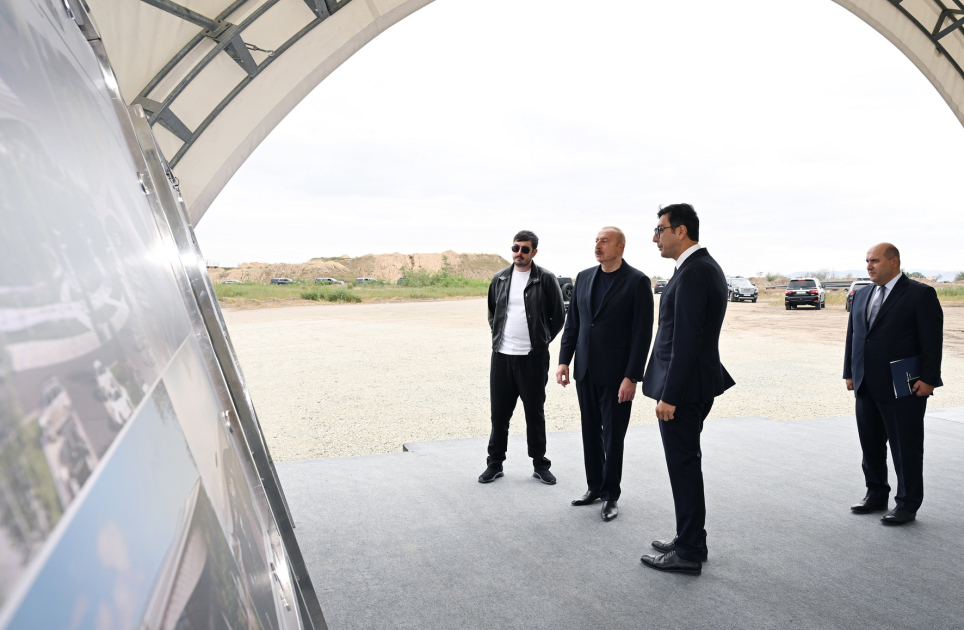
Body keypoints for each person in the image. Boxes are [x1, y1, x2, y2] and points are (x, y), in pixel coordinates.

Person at [640, 203, 734, 576]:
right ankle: (690, 538)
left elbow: (687, 341)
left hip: (684, 389)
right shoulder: (697, 267)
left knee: (683, 467)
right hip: (693, 384)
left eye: (659, 230)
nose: (655, 238)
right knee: (685, 464)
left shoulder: (695, 272)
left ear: (681, 231)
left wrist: (670, 395)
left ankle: (689, 551)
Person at [556, 227, 653, 522]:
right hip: (585, 370)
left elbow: (641, 334)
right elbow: (573, 323)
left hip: (617, 375)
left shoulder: (637, 281)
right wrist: (563, 361)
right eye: (596, 240)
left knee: (613, 437)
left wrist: (632, 376)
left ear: (620, 247)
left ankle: (611, 495)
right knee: (590, 432)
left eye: (605, 241)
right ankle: (594, 487)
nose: (598, 245)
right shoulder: (584, 277)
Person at [843, 243, 943, 525]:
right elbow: (854, 336)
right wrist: (850, 372)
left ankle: (907, 504)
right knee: (871, 445)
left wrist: (929, 378)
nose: (869, 267)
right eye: (867, 261)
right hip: (866, 383)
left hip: (904, 385)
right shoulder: (862, 294)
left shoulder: (920, 294)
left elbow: (932, 340)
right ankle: (876, 494)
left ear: (894, 261)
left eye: (875, 261)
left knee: (905, 447)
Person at [479, 230, 566, 484]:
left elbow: (558, 317)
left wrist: (541, 342)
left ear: (534, 252)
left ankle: (540, 464)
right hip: (502, 358)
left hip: (532, 359)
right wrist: (500, 339)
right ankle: (495, 464)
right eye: (515, 248)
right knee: (499, 415)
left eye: (525, 249)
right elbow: (493, 313)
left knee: (534, 414)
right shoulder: (500, 278)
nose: (519, 253)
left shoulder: (545, 279)